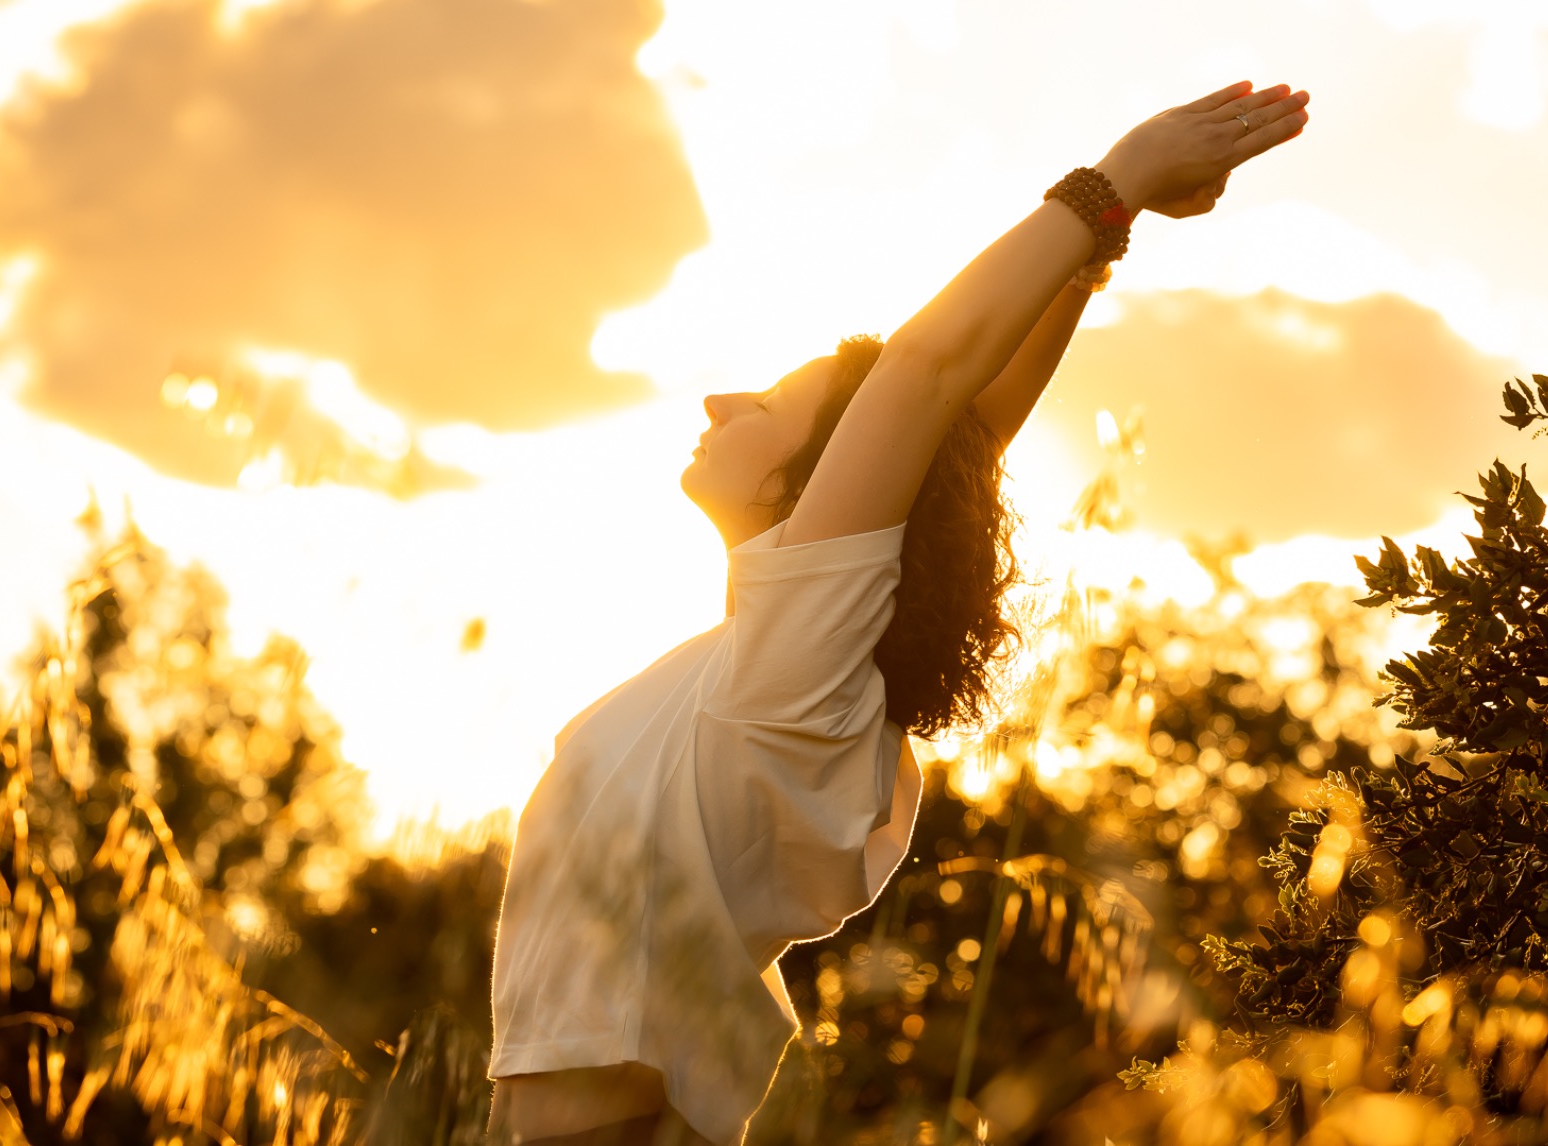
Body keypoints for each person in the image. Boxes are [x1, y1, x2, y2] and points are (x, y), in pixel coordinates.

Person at [485, 79, 1312, 1146]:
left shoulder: (793, 669)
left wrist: (1120, 175)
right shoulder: (775, 659)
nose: (719, 402)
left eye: (772, 406)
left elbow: (927, 383)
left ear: (818, 481)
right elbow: (958, 435)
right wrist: (1100, 248)